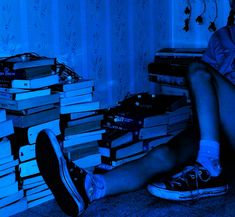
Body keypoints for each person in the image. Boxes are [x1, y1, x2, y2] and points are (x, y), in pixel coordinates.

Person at [35, 0, 235, 216]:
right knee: (165, 153)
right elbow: (202, 93)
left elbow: (203, 77)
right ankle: (91, 187)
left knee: (197, 70)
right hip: (215, 131)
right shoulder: (221, 38)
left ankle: (209, 162)